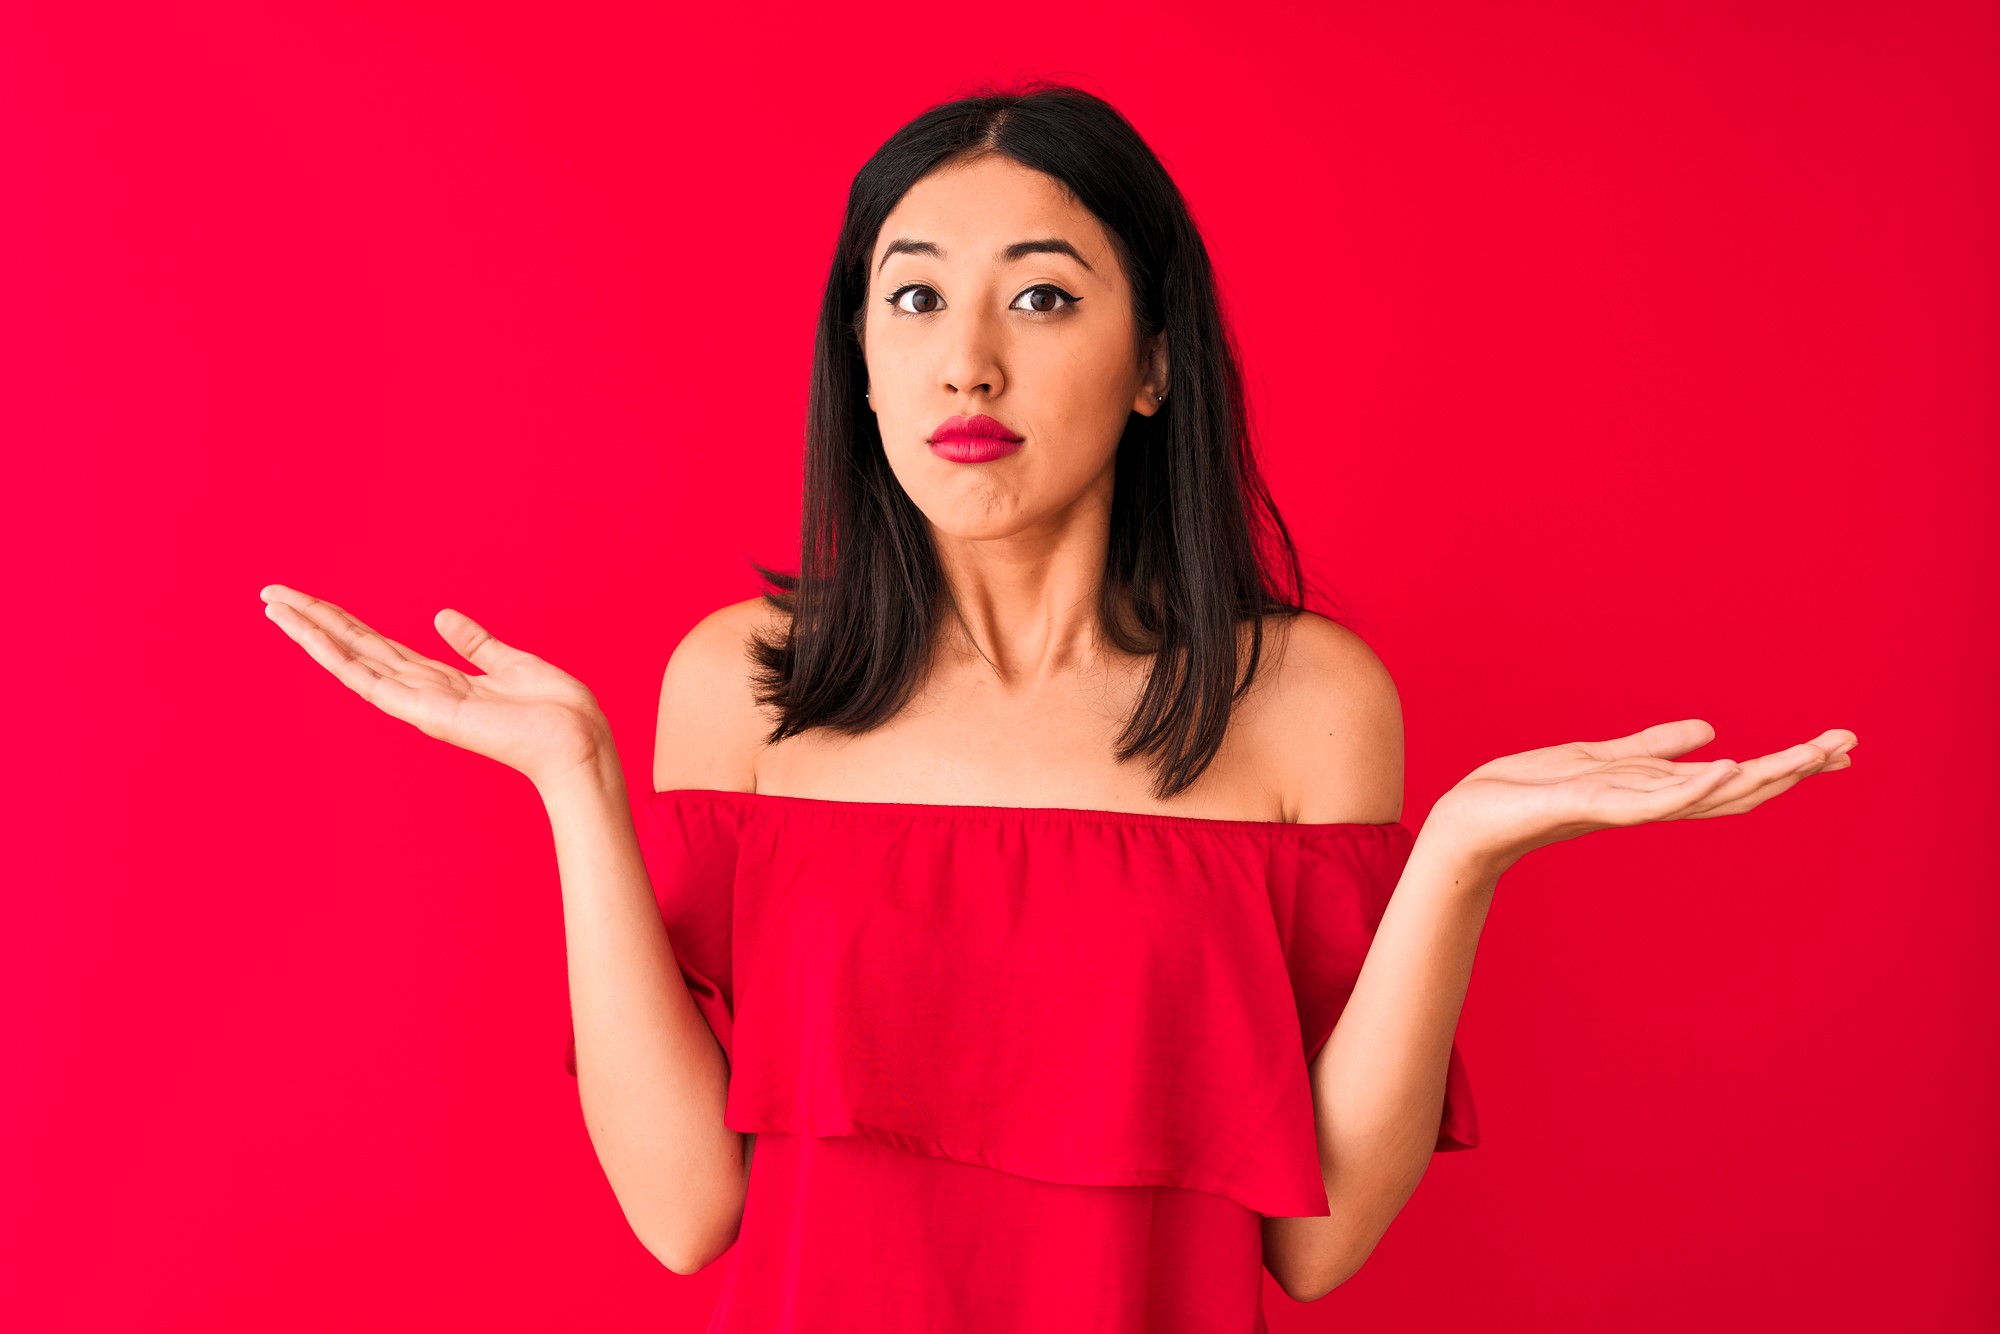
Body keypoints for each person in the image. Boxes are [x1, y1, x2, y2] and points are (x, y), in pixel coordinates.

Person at [258, 81, 1855, 1332]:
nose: (966, 366)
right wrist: (576, 783)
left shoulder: (1304, 700)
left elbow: (1313, 1246)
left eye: (1039, 300)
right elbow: (686, 1215)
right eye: (911, 301)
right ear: (860, 365)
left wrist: (1461, 856)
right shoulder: (740, 683)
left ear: (1156, 360)